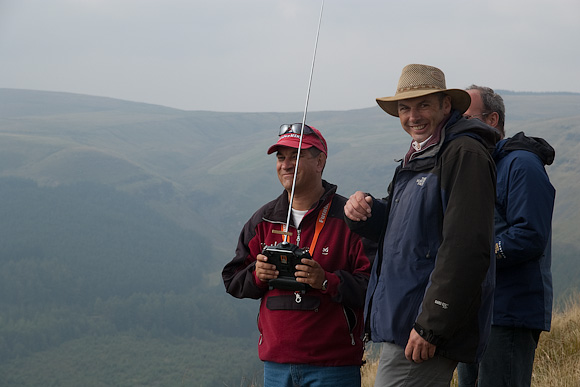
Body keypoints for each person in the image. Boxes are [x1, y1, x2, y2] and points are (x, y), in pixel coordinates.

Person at [344, 64, 500, 387]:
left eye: (423, 105)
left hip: (420, 330)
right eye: (404, 108)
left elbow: (466, 248)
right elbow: (411, 231)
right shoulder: (422, 153)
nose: (412, 116)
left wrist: (431, 325)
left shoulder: (463, 154)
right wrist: (366, 213)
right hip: (407, 323)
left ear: (446, 106)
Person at [222, 123, 371, 387]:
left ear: (320, 161)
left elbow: (373, 286)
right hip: (276, 366)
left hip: (334, 366)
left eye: (297, 156)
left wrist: (325, 281)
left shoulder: (349, 219)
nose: (286, 164)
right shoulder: (263, 221)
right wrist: (258, 276)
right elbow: (232, 279)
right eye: (281, 157)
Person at [457, 85, 556, 387]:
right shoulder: (481, 165)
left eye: (465, 117)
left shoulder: (521, 164)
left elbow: (529, 235)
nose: (457, 126)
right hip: (478, 309)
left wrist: (479, 257)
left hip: (510, 309)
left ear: (492, 120)